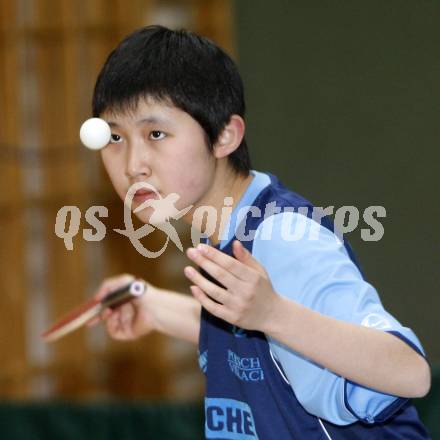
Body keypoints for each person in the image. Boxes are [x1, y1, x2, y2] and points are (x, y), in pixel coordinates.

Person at [89, 25, 431, 439]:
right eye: (115, 137)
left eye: (156, 134)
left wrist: (274, 314)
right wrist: (154, 306)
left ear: (224, 136)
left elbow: (411, 372)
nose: (132, 165)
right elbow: (257, 339)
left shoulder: (281, 237)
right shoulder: (224, 228)